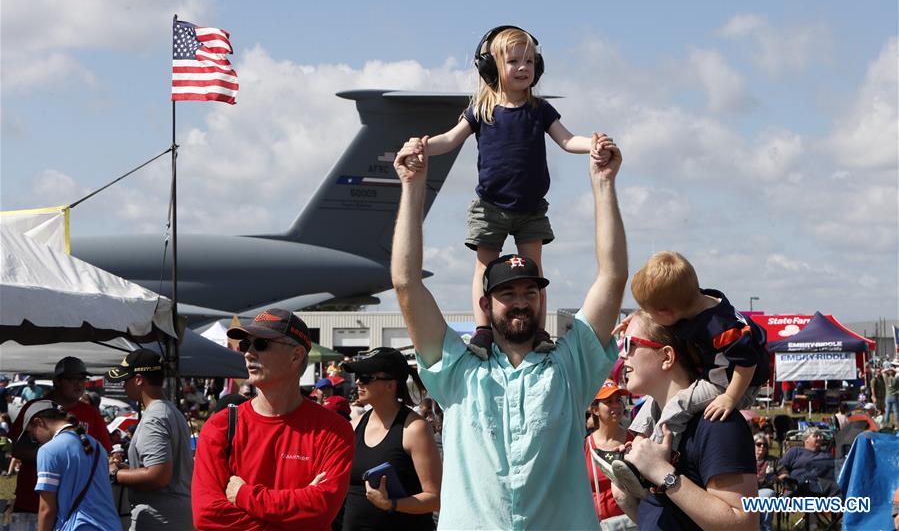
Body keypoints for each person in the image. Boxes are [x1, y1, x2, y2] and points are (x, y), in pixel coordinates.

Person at [391, 131, 626, 529]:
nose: (520, 301)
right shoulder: (457, 370)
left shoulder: (571, 367)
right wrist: (413, 187)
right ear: (485, 304)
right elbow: (406, 283)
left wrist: (603, 183)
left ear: (541, 300)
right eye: (508, 293)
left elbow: (613, 278)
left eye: (530, 292)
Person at [411, 25, 609, 359]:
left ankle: (539, 331)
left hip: (531, 208)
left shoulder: (540, 110)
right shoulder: (481, 110)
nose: (523, 68)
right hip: (490, 206)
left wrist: (593, 143)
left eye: (529, 61)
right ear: (492, 67)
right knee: (484, 267)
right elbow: (449, 139)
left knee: (534, 271)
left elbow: (566, 140)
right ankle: (483, 330)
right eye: (513, 61)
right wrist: (423, 146)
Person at [613, 251, 769, 496]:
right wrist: (637, 320)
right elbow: (664, 305)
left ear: (667, 314)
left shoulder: (720, 327)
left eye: (650, 312)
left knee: (679, 405)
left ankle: (661, 457)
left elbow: (747, 362)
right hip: (720, 373)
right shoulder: (692, 300)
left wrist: (730, 397)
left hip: (734, 383)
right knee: (651, 403)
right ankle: (636, 445)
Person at [192, 309, 354, 531]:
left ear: (296, 356)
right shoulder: (220, 426)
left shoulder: (334, 430)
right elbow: (207, 516)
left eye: (261, 344)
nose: (248, 354)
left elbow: (321, 510)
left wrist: (243, 494)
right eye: (245, 345)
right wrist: (296, 514)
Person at [613, 311, 759, 529]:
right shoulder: (652, 425)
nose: (622, 354)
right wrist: (626, 494)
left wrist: (662, 472)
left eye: (629, 344)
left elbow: (744, 524)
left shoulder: (717, 423)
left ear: (667, 357)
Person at [341, 347, 441, 531]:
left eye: (366, 377)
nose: (358, 382)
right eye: (358, 376)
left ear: (390, 385)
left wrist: (391, 504)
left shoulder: (414, 429)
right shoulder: (352, 426)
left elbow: (435, 499)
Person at [9, 357, 112, 530]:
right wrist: (55, 457)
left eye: (82, 379)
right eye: (72, 379)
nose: (78, 384)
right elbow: (16, 449)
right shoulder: (34, 408)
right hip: (31, 503)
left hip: (73, 511)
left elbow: (103, 453)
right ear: (57, 381)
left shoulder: (91, 414)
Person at [105, 349, 194, 530]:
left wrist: (114, 473)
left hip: (158, 519)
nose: (123, 386)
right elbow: (167, 469)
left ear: (139, 380)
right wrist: (129, 470)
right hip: (177, 515)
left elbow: (158, 475)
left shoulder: (154, 418)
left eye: (125, 380)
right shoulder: (171, 411)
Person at [20, 400, 120, 531]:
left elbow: (47, 509)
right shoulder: (97, 445)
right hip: (111, 526)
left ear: (39, 422)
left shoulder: (48, 450)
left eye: (33, 436)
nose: (36, 441)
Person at [585, 380, 637, 531]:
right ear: (595, 410)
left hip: (633, 524)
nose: (616, 405)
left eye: (618, 400)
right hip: (597, 526)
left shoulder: (635, 440)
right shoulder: (585, 445)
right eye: (609, 401)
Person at [776, 428, 841, 497]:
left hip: (819, 487)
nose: (819, 438)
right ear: (806, 439)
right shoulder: (795, 451)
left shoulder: (826, 455)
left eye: (821, 436)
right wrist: (784, 473)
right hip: (797, 484)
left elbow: (835, 471)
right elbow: (781, 465)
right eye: (816, 436)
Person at [754, 434, 777, 531]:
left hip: (764, 490)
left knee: (768, 495)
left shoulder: (773, 460)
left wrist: (777, 478)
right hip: (746, 490)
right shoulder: (745, 460)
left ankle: (765, 528)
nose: (762, 446)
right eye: (759, 444)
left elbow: (784, 474)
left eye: (765, 445)